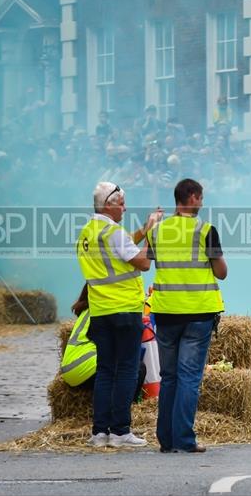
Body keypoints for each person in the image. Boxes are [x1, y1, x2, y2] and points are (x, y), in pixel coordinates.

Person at [76, 182, 161, 448]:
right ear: (109, 205)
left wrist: (143, 229)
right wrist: (152, 233)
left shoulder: (89, 232)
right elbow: (143, 262)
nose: (125, 208)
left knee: (105, 371)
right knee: (126, 370)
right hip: (124, 310)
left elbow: (123, 247)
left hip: (101, 312)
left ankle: (100, 433)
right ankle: (121, 432)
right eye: (122, 203)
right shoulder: (113, 232)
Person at [146, 178, 227, 454]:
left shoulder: (157, 231)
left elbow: (148, 262)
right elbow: (221, 272)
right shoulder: (206, 230)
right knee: (189, 377)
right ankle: (184, 439)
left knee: (168, 377)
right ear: (192, 197)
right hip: (198, 313)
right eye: (201, 198)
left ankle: (166, 441)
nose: (202, 203)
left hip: (166, 312)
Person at [61, 283, 147, 399]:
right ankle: (130, 407)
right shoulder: (100, 312)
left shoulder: (87, 310)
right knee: (137, 367)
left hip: (70, 370)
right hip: (84, 368)